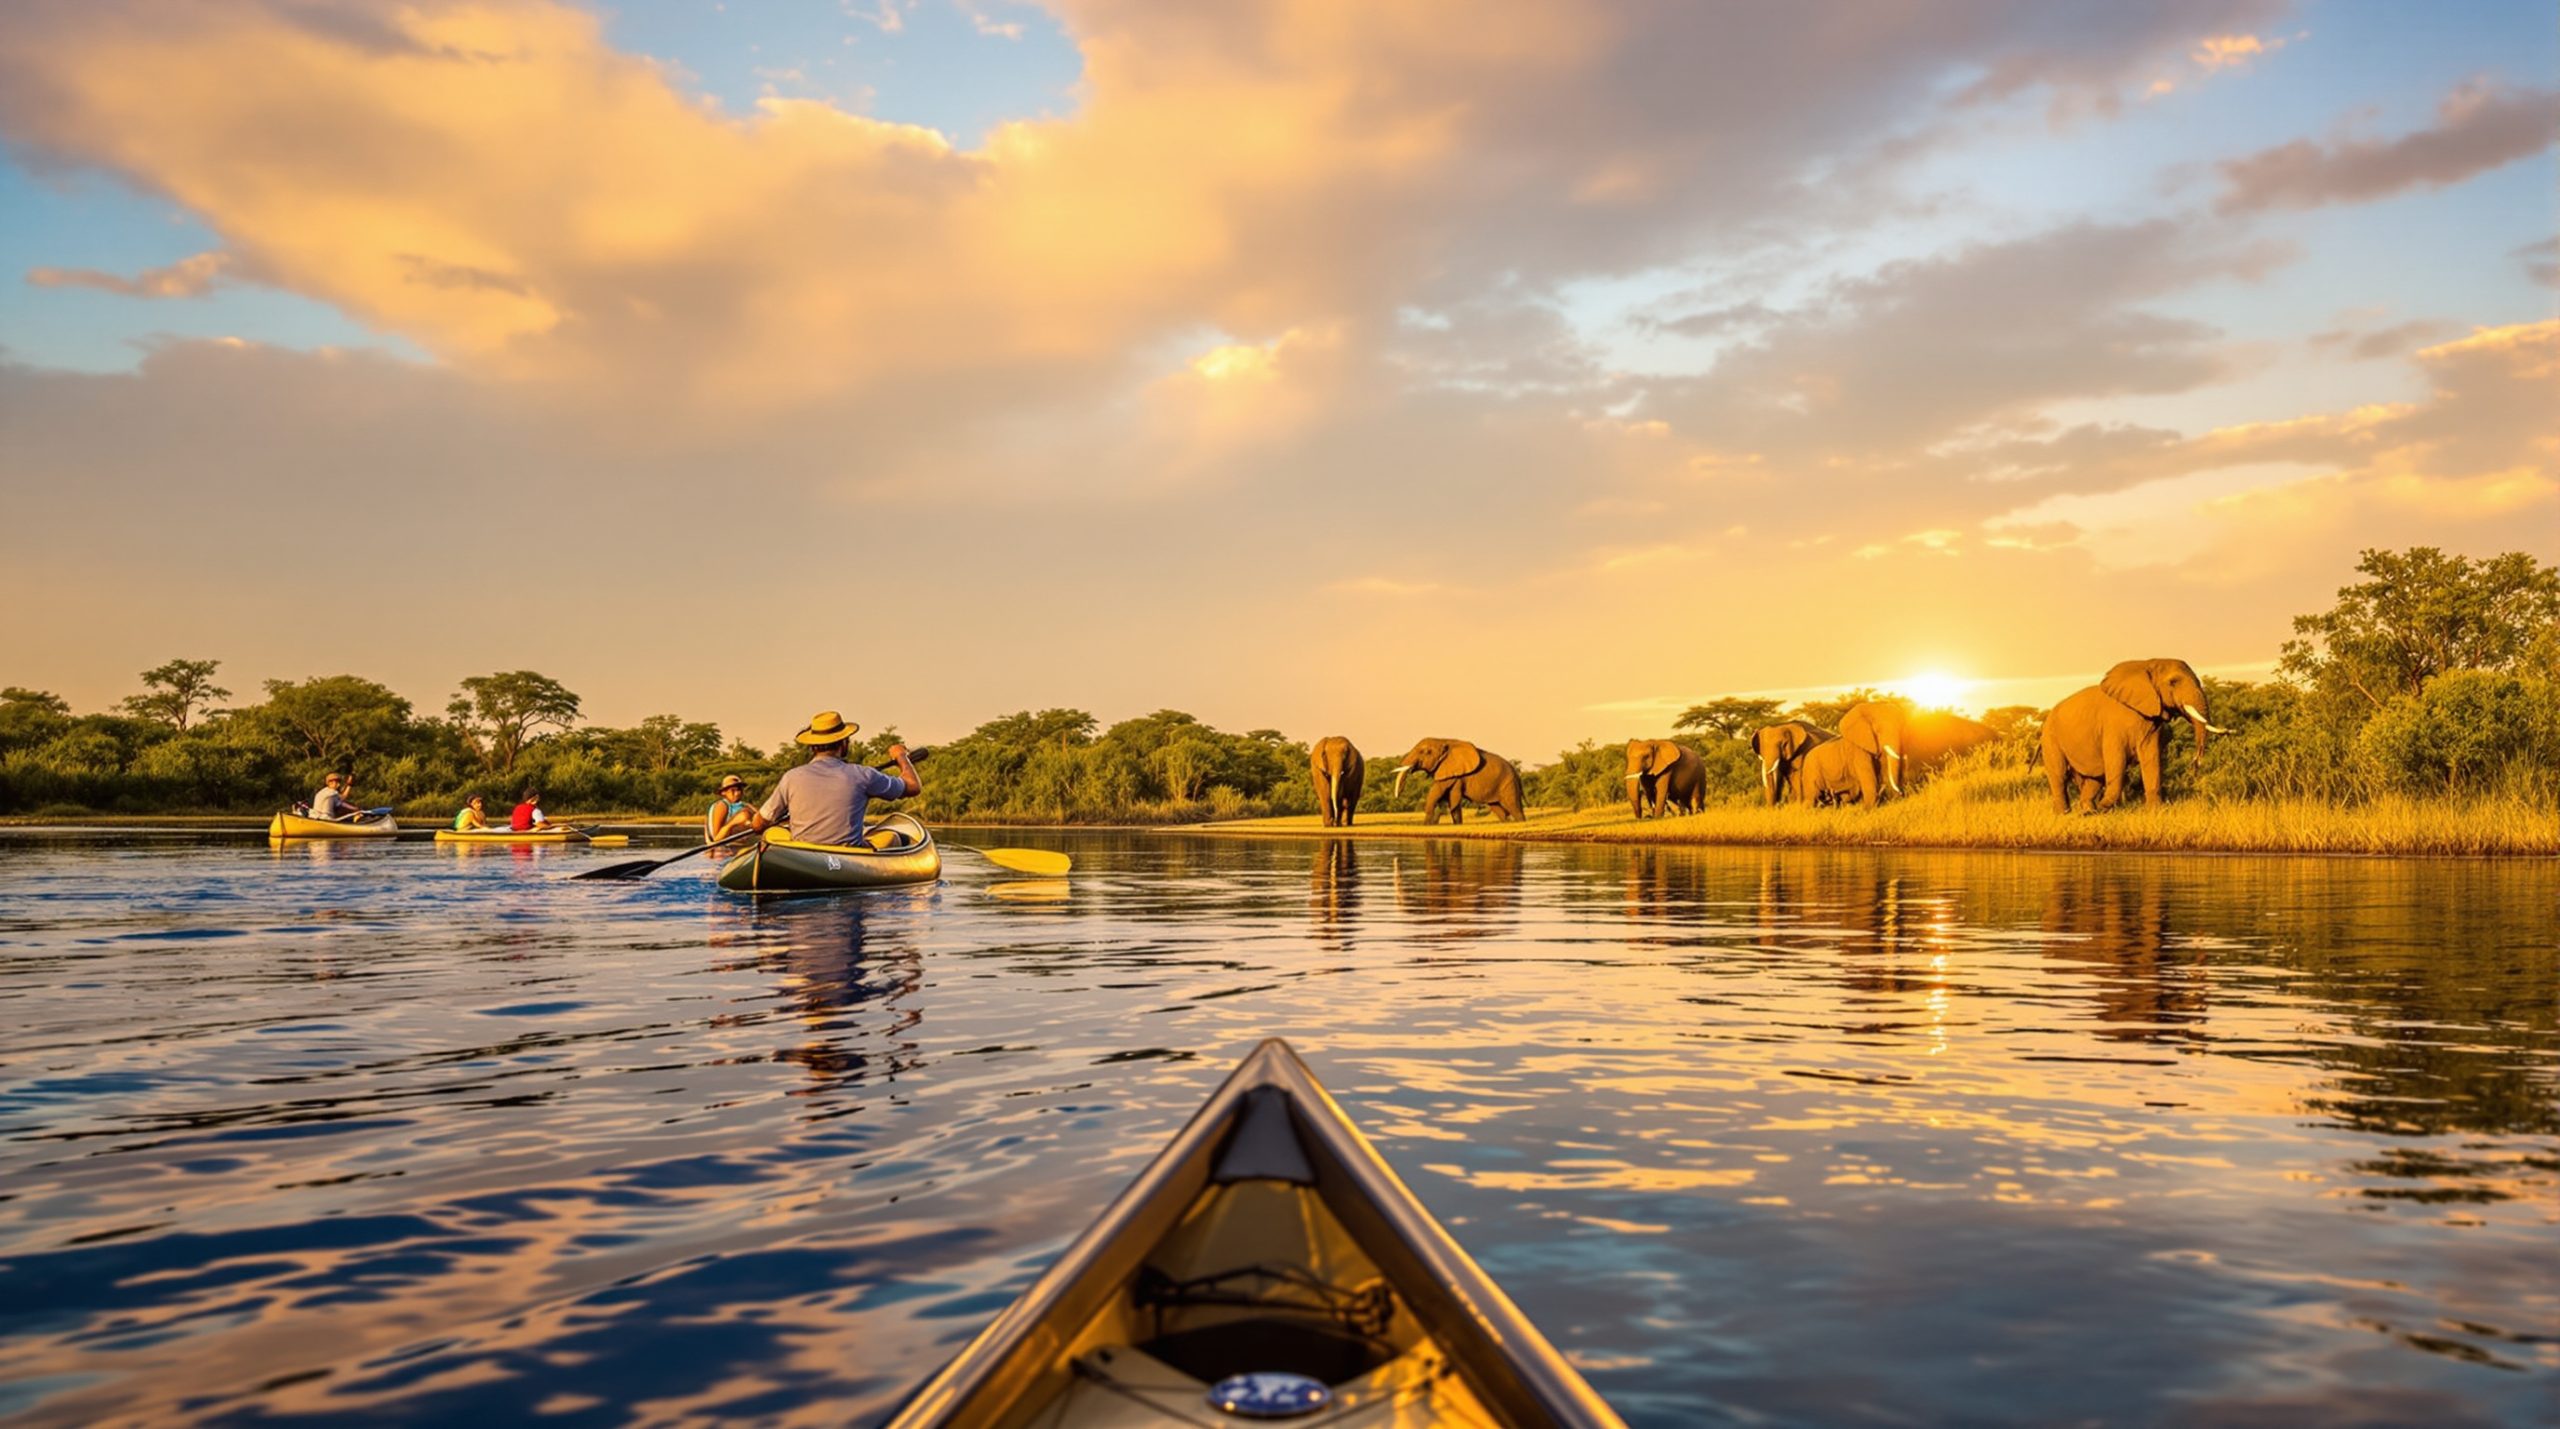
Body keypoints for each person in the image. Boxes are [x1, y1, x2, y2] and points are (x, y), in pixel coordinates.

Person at [752, 711, 919, 849]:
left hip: (803, 853)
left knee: (773, 833)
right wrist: (901, 757)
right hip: (847, 856)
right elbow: (913, 787)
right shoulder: (863, 774)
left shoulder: (791, 777)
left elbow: (758, 825)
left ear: (812, 746)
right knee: (895, 837)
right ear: (844, 743)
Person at [706, 776, 755, 843]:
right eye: (733, 790)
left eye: (739, 789)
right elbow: (715, 839)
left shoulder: (746, 806)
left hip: (738, 847)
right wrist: (735, 822)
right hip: (720, 849)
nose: (737, 793)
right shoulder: (721, 806)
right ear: (723, 792)